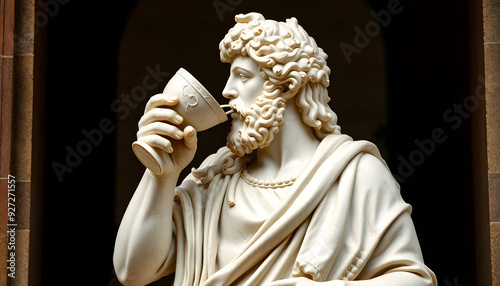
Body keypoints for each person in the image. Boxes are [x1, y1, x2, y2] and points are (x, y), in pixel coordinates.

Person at [113, 12, 437, 286]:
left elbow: (412, 279)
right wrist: (161, 175)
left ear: (287, 85)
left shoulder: (355, 177)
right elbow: (132, 271)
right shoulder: (215, 181)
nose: (226, 91)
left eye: (242, 76)